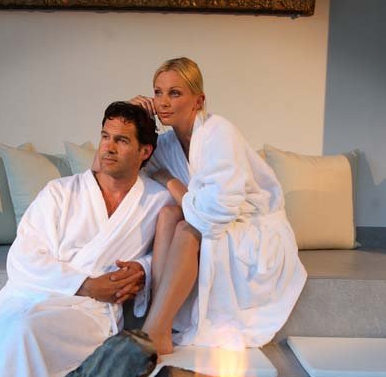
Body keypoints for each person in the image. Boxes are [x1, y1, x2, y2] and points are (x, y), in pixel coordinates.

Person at [0, 102, 171, 377]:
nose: (108, 147)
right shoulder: (60, 192)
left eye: (121, 140)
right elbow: (22, 257)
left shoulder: (155, 199)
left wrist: (142, 270)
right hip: (41, 297)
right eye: (105, 136)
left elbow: (162, 253)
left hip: (93, 316)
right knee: (18, 330)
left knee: (21, 332)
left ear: (145, 151)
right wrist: (86, 284)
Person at [130, 57, 307, 355]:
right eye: (157, 92)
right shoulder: (169, 144)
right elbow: (121, 165)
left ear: (198, 100)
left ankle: (156, 330)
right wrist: (133, 115)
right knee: (168, 214)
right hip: (215, 221)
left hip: (250, 226)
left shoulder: (219, 132)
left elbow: (214, 215)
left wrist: (170, 181)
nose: (163, 102)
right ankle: (158, 321)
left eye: (175, 93)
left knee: (186, 228)